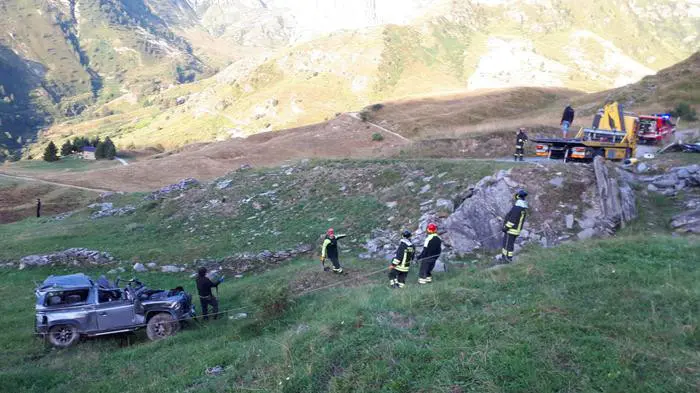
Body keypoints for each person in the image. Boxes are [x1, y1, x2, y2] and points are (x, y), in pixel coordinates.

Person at [501, 189, 529, 263]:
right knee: (510, 245)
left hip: (510, 230)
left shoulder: (517, 207)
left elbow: (512, 220)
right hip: (516, 230)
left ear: (518, 197)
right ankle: (508, 258)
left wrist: (505, 228)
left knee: (506, 245)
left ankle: (506, 259)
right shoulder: (523, 207)